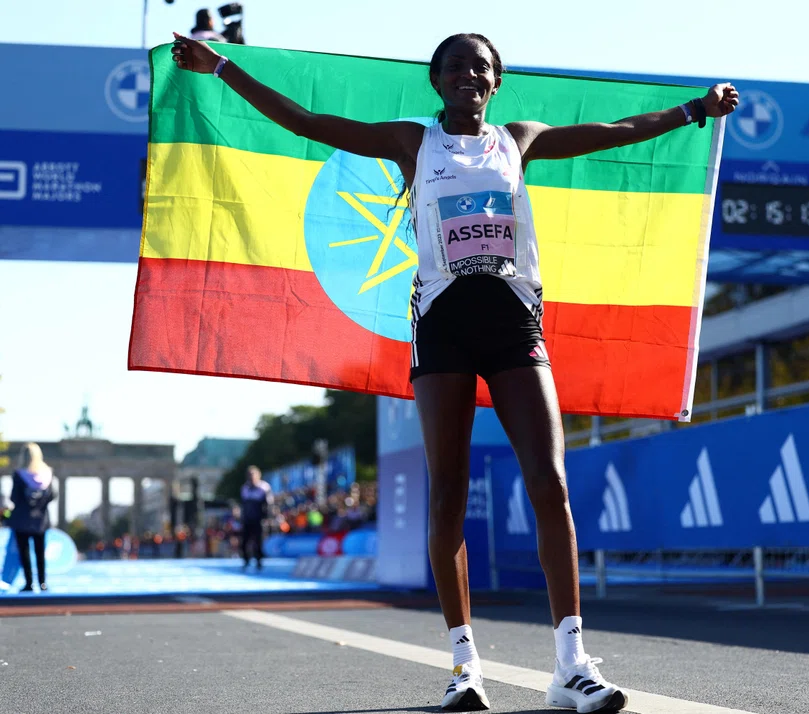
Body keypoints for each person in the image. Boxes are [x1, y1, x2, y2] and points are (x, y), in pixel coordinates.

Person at [170, 32, 738, 713]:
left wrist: (693, 111)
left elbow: (612, 131)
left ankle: (572, 664)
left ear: (496, 82)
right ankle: (465, 667)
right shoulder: (414, 142)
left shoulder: (518, 140)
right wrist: (222, 66)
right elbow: (308, 123)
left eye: (483, 66)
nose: (471, 74)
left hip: (514, 325)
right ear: (437, 82)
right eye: (458, 66)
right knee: (448, 494)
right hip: (441, 327)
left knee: (550, 482)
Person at [8, 443, 57, 593]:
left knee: (25, 552)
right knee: (40, 552)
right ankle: (42, 582)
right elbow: (53, 495)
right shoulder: (47, 475)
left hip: (22, 519)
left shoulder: (19, 475)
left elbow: (14, 497)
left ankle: (29, 582)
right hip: (41, 520)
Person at [239, 465, 272, 570]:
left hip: (259, 520)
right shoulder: (244, 488)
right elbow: (243, 505)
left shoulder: (264, 487)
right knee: (244, 541)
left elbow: (268, 505)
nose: (251, 477)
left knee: (258, 541)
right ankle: (246, 560)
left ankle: (259, 561)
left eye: (253, 475)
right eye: (249, 475)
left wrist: (267, 518)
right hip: (247, 520)